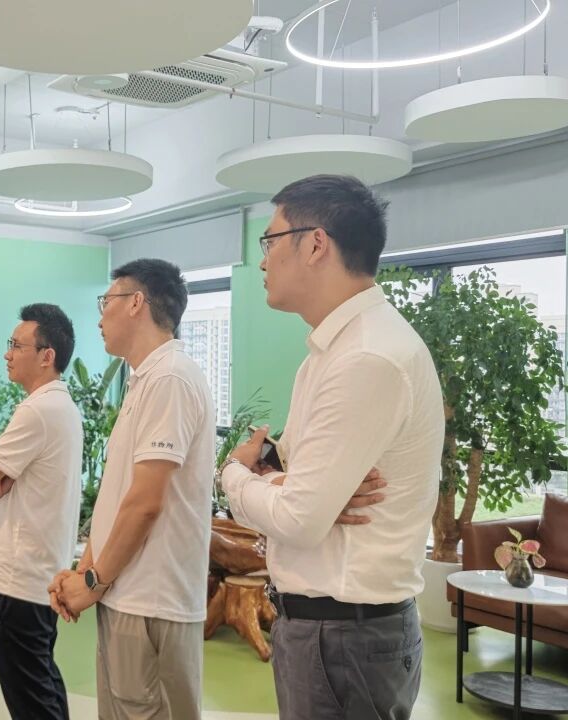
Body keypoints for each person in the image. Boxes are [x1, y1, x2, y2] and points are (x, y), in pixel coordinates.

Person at [218, 174, 444, 720]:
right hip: (330, 632)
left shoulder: (366, 356)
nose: (262, 261)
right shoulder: (332, 351)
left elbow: (298, 517)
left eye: (270, 240)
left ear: (316, 243)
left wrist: (232, 475)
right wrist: (296, 486)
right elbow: (303, 491)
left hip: (344, 638)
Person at [48, 259, 214, 720]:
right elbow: (117, 496)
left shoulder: (170, 378)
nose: (100, 317)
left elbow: (145, 504)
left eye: (107, 302)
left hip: (152, 600)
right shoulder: (144, 379)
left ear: (136, 303)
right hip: (127, 594)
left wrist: (92, 583)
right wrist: (84, 572)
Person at [0, 304, 82, 720]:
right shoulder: (62, 406)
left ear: (46, 356)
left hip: (19, 578)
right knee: (43, 683)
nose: (7, 354)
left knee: (30, 699)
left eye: (17, 346)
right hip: (41, 572)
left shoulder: (36, 410)